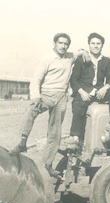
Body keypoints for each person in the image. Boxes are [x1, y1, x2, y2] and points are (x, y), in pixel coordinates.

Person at [10, 33, 89, 178]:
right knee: (31, 110)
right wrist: (36, 97)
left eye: (66, 44)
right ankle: (22, 142)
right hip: (46, 94)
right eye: (60, 43)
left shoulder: (69, 57)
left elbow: (79, 52)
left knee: (55, 133)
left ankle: (48, 164)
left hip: (61, 98)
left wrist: (83, 51)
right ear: (54, 43)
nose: (63, 46)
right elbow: (36, 79)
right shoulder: (46, 59)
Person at [69, 33, 110, 161]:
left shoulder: (106, 61)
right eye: (93, 43)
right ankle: (76, 139)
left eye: (98, 44)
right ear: (89, 45)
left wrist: (105, 88)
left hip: (99, 91)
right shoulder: (82, 59)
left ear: (102, 45)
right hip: (84, 91)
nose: (95, 46)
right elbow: (74, 79)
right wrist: (81, 92)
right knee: (78, 106)